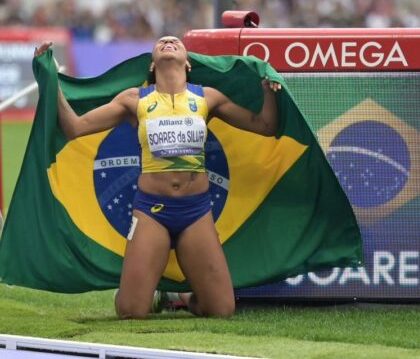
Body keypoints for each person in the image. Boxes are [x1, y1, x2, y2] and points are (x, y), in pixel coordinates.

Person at [33, 37, 282, 319]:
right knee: (131, 312)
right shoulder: (134, 100)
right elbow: (75, 128)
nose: (168, 41)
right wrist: (49, 78)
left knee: (221, 310)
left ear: (188, 62)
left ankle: (178, 296)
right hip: (152, 211)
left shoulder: (207, 97)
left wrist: (269, 90)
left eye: (175, 41)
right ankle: (145, 294)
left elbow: (265, 125)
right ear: (152, 64)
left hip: (196, 211)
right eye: (162, 41)